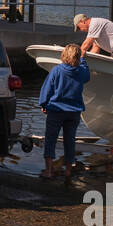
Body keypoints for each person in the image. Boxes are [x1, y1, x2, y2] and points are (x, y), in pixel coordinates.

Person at [38, 44, 90, 182]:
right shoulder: (81, 72)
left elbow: (47, 89)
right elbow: (87, 75)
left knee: (51, 140)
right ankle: (68, 171)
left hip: (56, 110)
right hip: (74, 112)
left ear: (64, 55)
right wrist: (83, 59)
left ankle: (48, 171)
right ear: (78, 57)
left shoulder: (56, 70)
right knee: (70, 141)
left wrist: (43, 104)